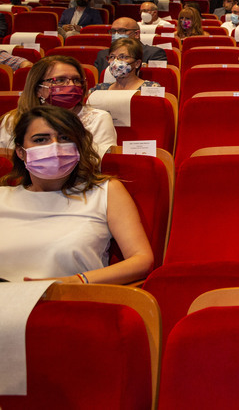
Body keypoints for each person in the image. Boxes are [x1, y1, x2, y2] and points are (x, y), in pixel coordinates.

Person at [0, 105, 153, 284]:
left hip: (72, 300)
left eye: (65, 138)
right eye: (40, 140)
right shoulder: (3, 196)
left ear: (78, 147)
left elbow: (142, 260)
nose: (54, 147)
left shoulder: (105, 192)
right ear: (20, 152)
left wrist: (73, 282)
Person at [0, 56, 116, 157]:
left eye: (76, 80)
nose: (71, 85)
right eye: (60, 80)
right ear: (38, 88)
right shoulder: (13, 120)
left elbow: (97, 163)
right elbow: (9, 164)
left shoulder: (98, 118)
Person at [94, 18, 167, 75]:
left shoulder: (153, 53)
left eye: (122, 31)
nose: (116, 34)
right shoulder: (103, 55)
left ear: (136, 34)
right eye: (113, 31)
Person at [89, 38, 161, 92]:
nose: (115, 61)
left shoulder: (151, 89)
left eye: (122, 57)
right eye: (112, 57)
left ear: (137, 63)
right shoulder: (99, 89)